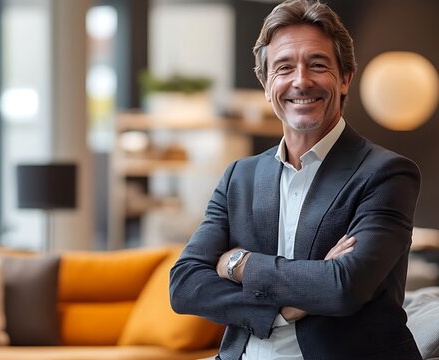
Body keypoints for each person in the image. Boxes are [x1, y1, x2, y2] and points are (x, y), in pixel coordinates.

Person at [169, 1, 423, 359]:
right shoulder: (239, 177)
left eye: (318, 65)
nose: (301, 81)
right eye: (284, 67)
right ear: (265, 81)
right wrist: (284, 308)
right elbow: (185, 286)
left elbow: (342, 287)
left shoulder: (386, 174)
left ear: (346, 77)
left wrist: (238, 264)